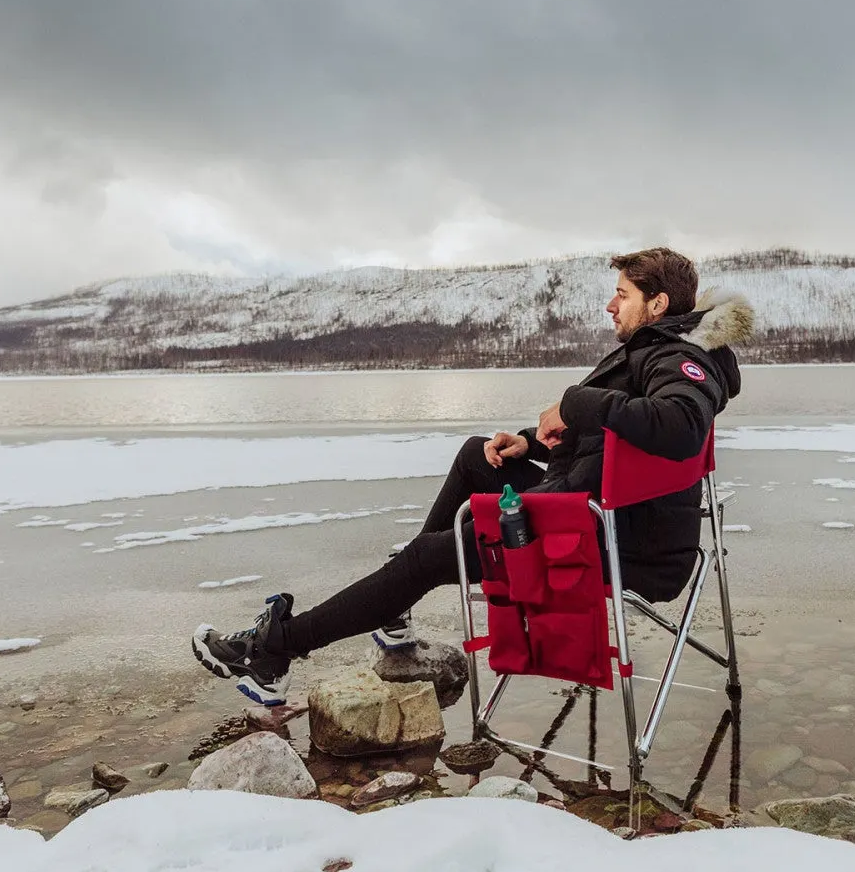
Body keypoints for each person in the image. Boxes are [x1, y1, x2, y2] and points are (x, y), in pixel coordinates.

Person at [191, 247, 752, 705]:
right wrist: (531, 442)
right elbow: (610, 441)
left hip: (609, 541)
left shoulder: (680, 361)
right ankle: (392, 608)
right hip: (591, 511)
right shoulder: (653, 352)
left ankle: (275, 652)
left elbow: (677, 426)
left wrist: (576, 402)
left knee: (431, 555)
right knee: (477, 456)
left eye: (622, 295)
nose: (611, 305)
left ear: (655, 303)